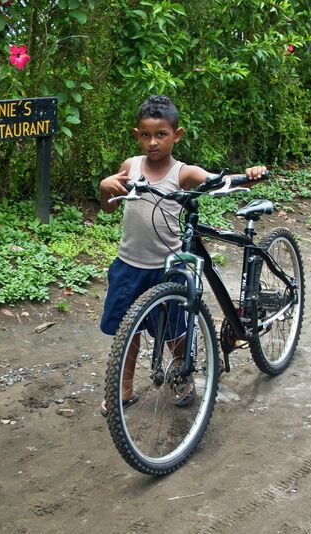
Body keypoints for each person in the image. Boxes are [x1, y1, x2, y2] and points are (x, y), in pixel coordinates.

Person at [98, 94, 267, 416]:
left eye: (161, 134)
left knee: (176, 329)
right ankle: (125, 387)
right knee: (126, 330)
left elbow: (217, 181)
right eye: (146, 135)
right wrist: (105, 186)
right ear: (137, 135)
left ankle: (181, 372)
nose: (153, 142)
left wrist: (248, 175)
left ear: (177, 135)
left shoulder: (182, 172)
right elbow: (108, 209)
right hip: (129, 265)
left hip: (168, 266)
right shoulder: (130, 167)